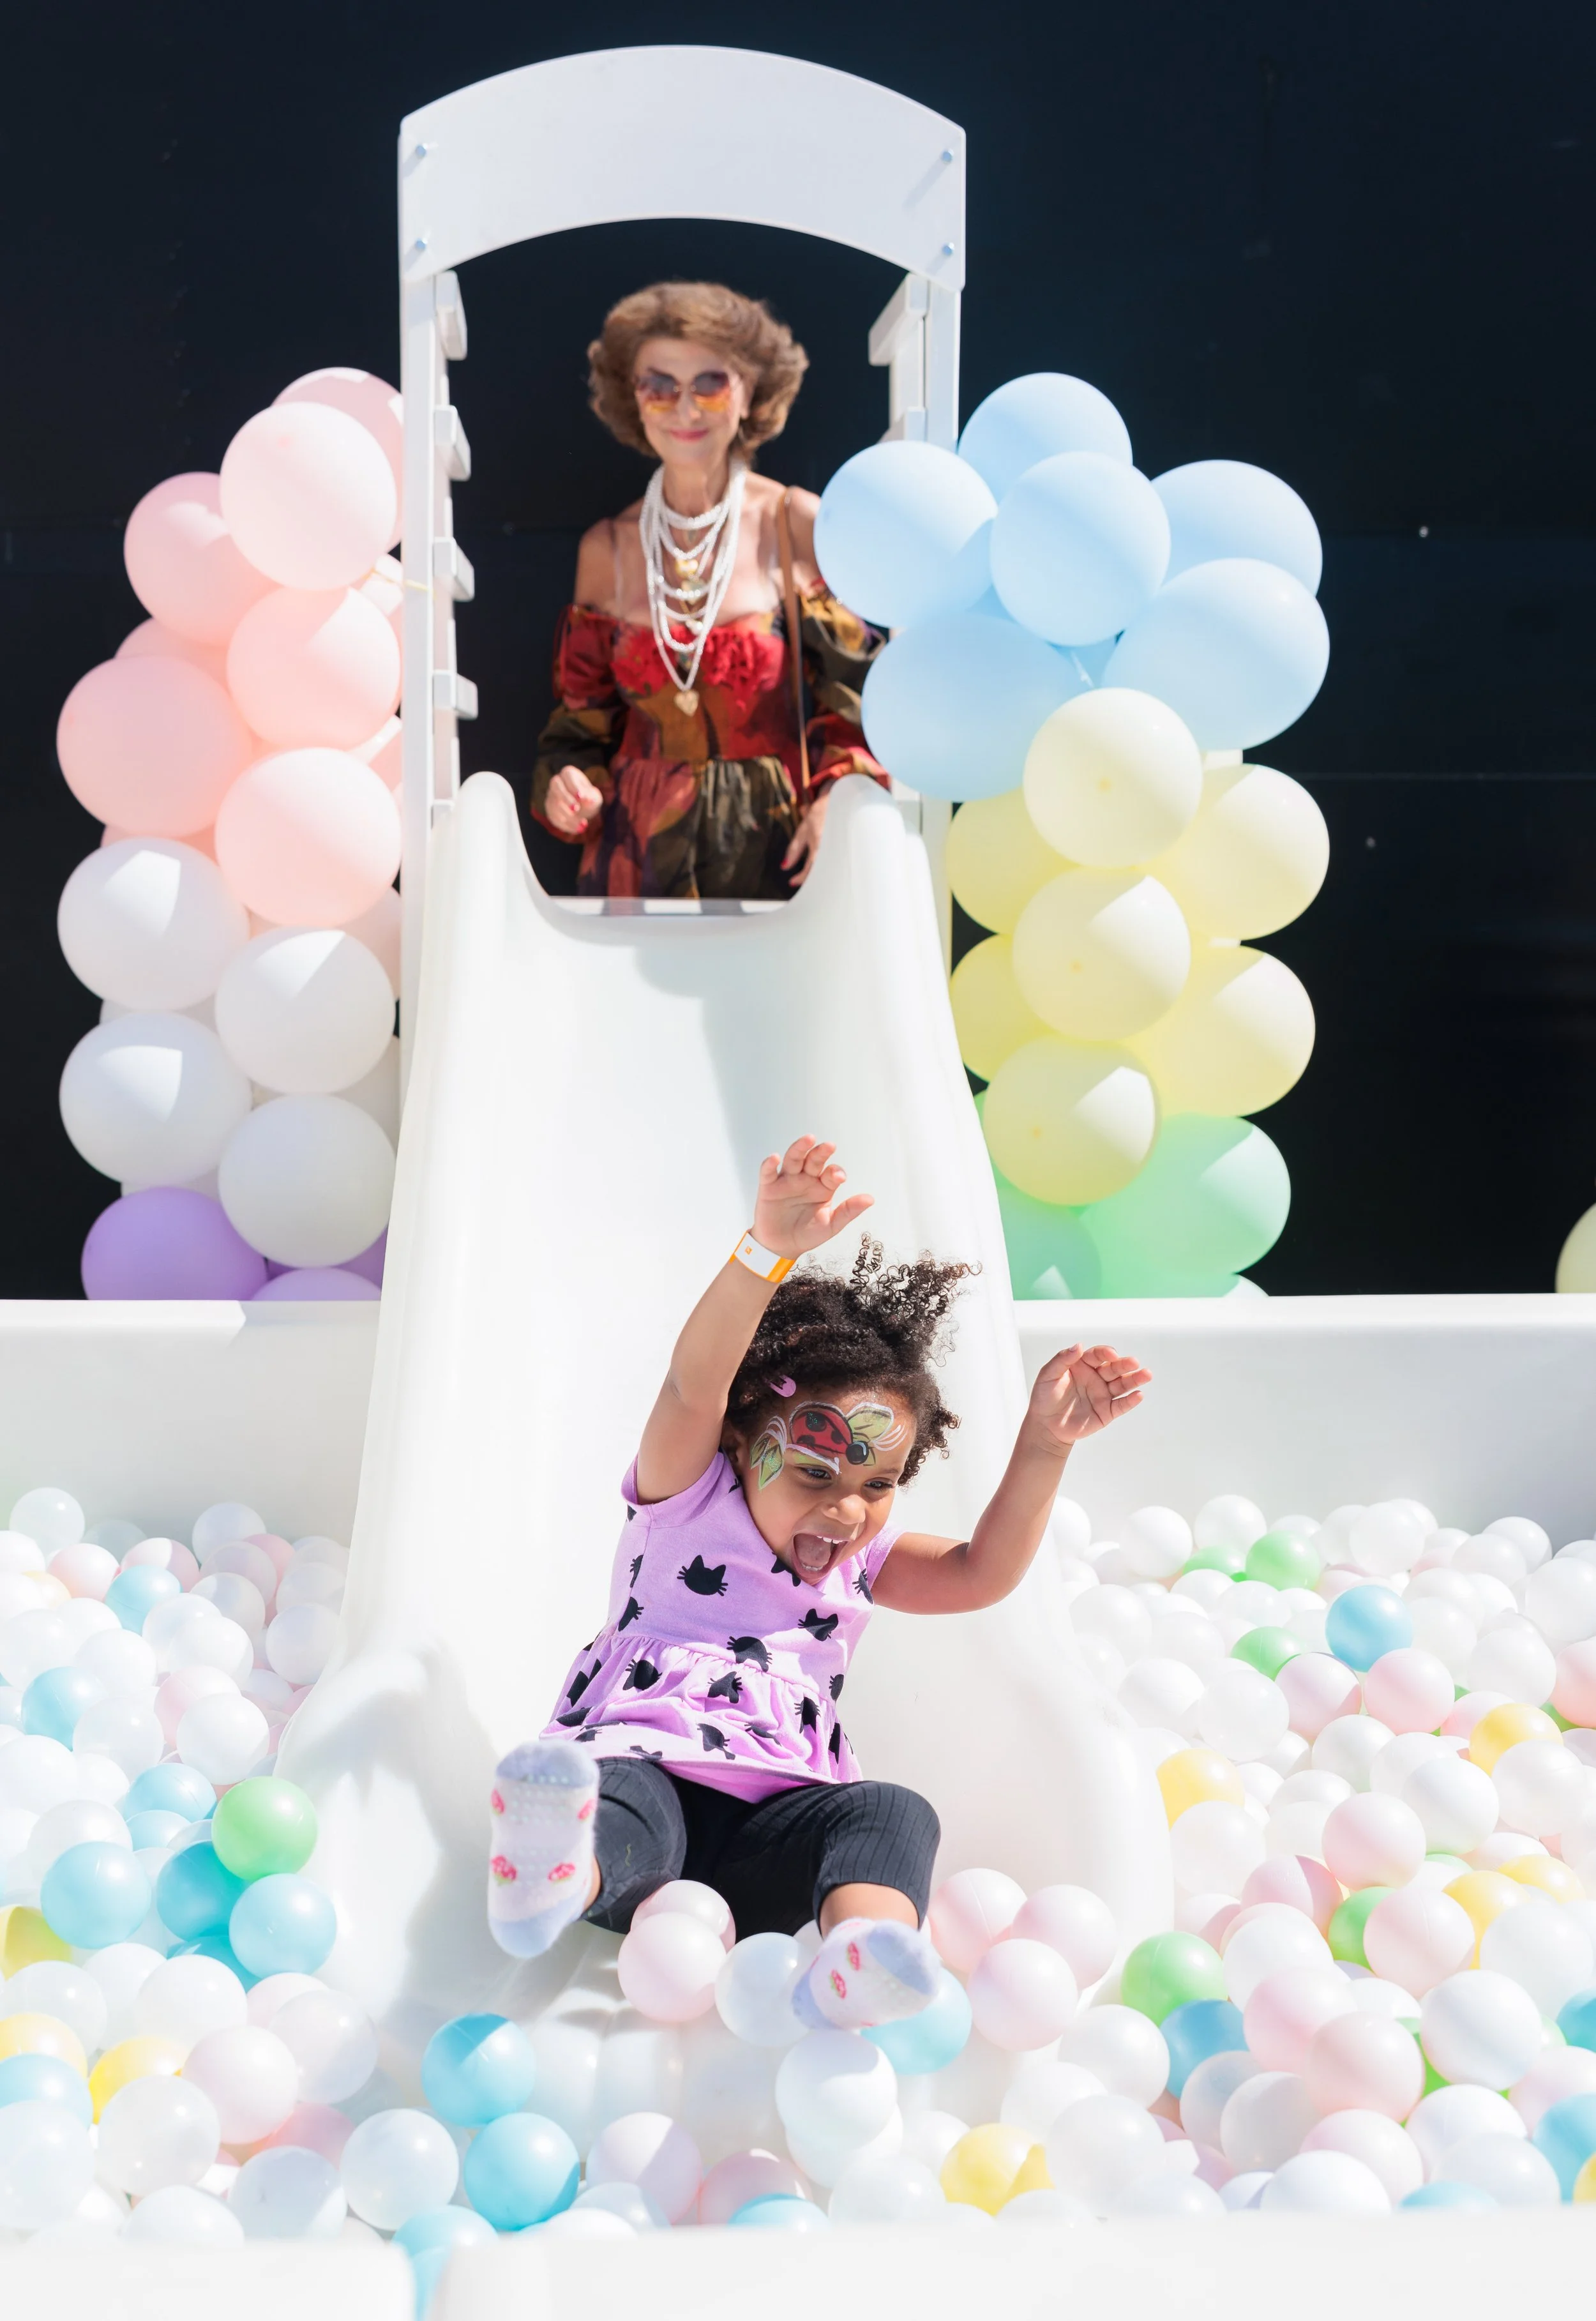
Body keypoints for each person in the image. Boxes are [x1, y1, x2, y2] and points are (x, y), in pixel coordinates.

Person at [486, 1135, 1150, 2030]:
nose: (847, 1511)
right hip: (651, 1779)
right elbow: (692, 1386)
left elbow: (983, 1571)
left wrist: (1046, 1444)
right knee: (620, 1801)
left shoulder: (862, 1564)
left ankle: (858, 1957)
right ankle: (552, 1873)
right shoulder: (687, 1498)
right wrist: (765, 1252)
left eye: (877, 1485)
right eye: (814, 1473)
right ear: (740, 1444)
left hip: (776, 1837)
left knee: (891, 1810)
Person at [531, 282, 889, 901]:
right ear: (634, 398)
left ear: (750, 391)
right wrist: (570, 788)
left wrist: (839, 800)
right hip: (633, 869)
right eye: (659, 385)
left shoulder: (797, 523)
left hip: (778, 862)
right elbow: (578, 734)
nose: (685, 408)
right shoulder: (606, 549)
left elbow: (861, 710)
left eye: (710, 383)